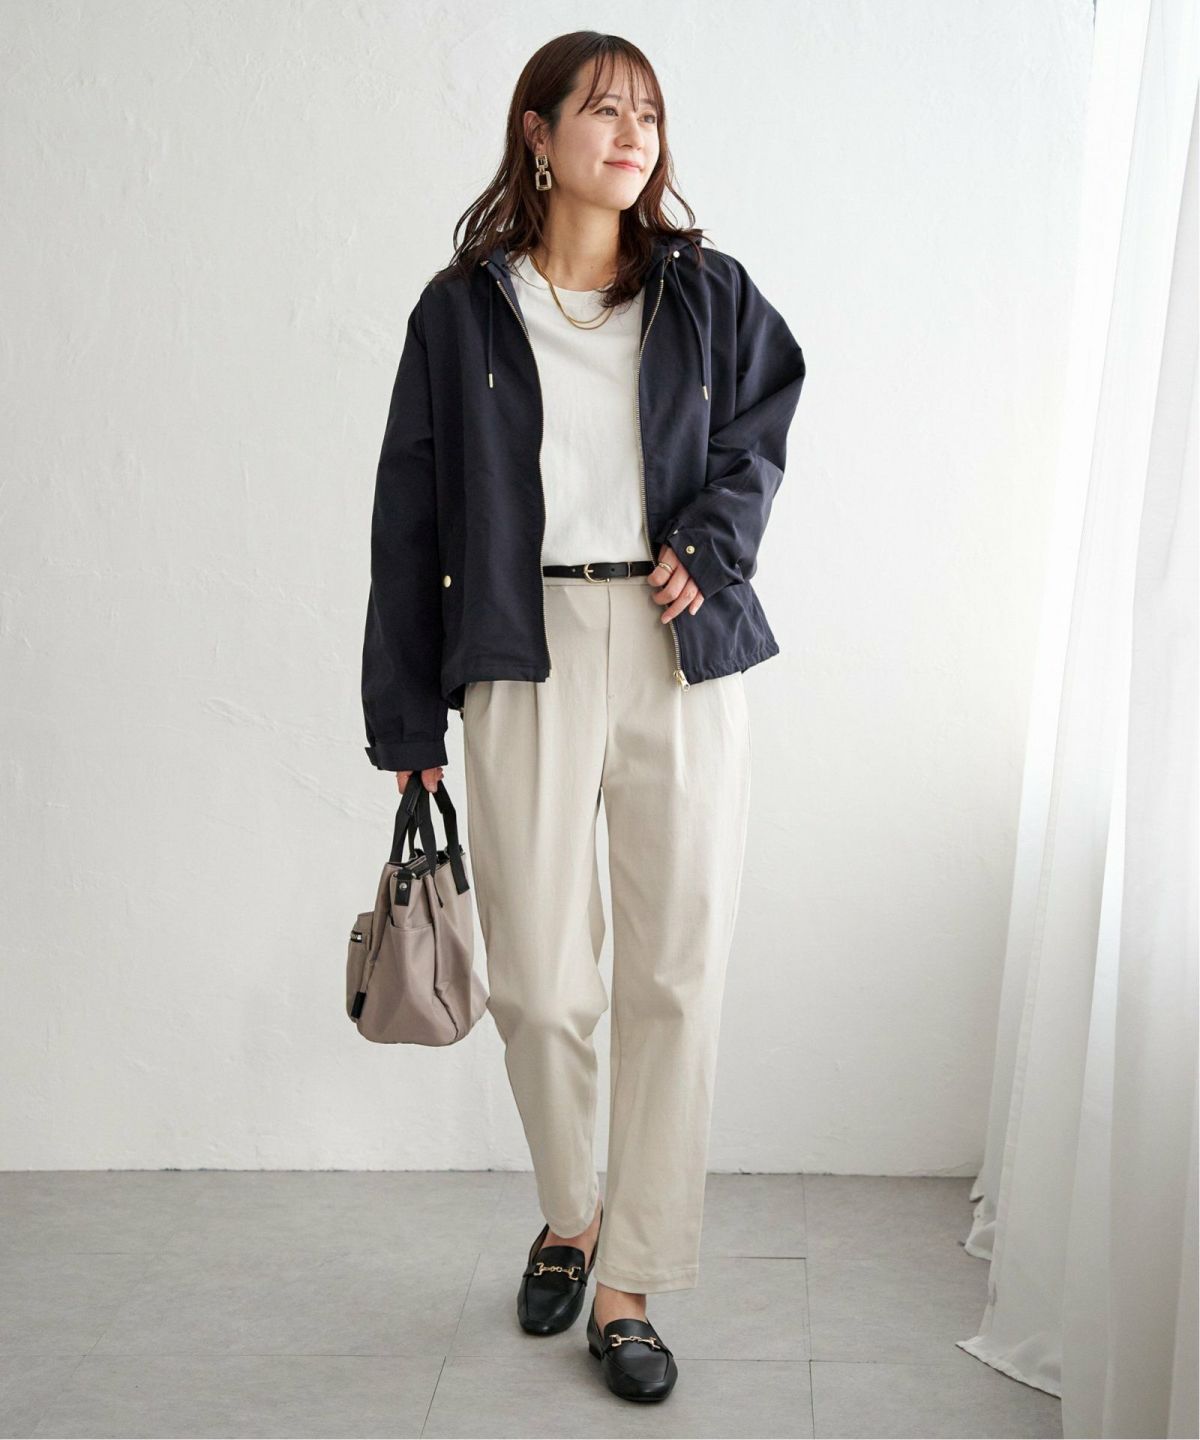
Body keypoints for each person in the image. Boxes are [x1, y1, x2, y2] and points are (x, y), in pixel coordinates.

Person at [361, 30, 806, 1404]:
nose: (632, 135)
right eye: (603, 110)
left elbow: (763, 424)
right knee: (541, 986)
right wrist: (405, 724)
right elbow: (408, 515)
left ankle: (630, 1284)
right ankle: (573, 1210)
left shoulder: (708, 293)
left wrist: (713, 543)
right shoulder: (462, 313)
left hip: (681, 649)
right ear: (539, 135)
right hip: (523, 647)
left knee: (674, 978)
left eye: (649, 115)